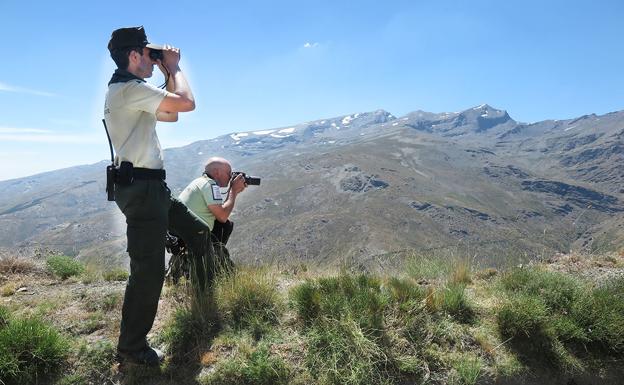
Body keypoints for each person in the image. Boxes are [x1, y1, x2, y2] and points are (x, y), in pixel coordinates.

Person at [104, 26, 212, 366]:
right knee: (148, 270)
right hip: (143, 189)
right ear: (133, 56)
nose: (154, 60)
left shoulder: (134, 91)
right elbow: (188, 103)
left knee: (197, 232)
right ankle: (131, 348)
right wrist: (175, 69)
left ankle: (204, 299)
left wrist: (165, 74)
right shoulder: (127, 89)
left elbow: (171, 114)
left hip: (151, 188)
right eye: (149, 54)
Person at [166, 158, 246, 281]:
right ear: (217, 172)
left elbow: (220, 210)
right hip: (192, 235)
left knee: (223, 225)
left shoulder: (201, 182)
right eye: (229, 173)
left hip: (182, 232)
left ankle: (208, 256)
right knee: (225, 225)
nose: (231, 178)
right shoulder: (210, 185)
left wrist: (232, 191)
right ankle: (211, 260)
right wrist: (234, 191)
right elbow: (223, 216)